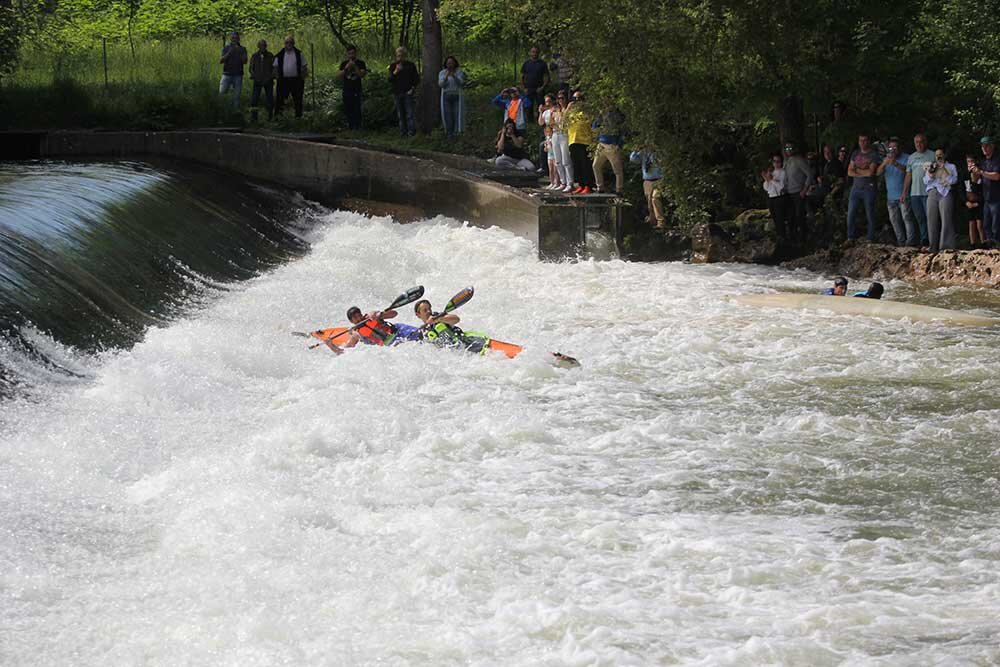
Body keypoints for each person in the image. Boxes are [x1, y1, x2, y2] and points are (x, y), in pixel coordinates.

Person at [323, 305, 423, 354]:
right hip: (391, 343)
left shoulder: (371, 316)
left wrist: (380, 314)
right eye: (355, 318)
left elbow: (394, 314)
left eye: (359, 315)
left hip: (400, 330)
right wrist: (331, 345)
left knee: (422, 335)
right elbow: (344, 352)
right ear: (351, 321)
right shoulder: (356, 334)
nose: (359, 319)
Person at [414, 299, 491, 354]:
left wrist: (438, 319)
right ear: (418, 315)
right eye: (425, 310)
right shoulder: (422, 332)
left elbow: (456, 319)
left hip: (468, 343)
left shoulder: (438, 316)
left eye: (429, 308)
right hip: (457, 354)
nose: (429, 311)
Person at [876, 137, 911, 245]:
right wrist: (884, 164)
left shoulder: (907, 157)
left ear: (899, 148)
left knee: (907, 218)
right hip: (891, 197)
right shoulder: (886, 159)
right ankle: (901, 242)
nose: (892, 150)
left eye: (895, 148)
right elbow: (877, 173)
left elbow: (908, 172)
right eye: (890, 148)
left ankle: (910, 242)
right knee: (894, 221)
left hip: (904, 195)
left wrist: (895, 163)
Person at [901, 133, 934, 246]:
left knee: (930, 217)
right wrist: (904, 192)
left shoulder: (932, 155)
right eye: (917, 142)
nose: (919, 144)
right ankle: (924, 240)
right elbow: (908, 175)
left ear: (925, 142)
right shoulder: (911, 157)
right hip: (915, 193)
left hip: (929, 193)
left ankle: (933, 240)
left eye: (921, 142)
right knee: (920, 218)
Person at [846, 133, 880, 241]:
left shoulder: (873, 154)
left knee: (870, 214)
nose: (862, 143)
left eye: (865, 140)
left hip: (868, 188)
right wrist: (862, 171)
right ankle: (850, 237)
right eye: (860, 140)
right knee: (851, 213)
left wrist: (856, 169)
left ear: (868, 141)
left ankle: (871, 237)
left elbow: (870, 173)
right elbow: (849, 172)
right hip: (856, 188)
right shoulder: (855, 153)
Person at [923, 148, 958, 253]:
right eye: (937, 155)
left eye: (940, 154)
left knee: (946, 219)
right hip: (933, 192)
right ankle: (932, 246)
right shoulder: (931, 166)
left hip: (945, 193)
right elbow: (926, 181)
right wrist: (931, 172)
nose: (938, 157)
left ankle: (946, 247)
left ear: (944, 155)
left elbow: (953, 180)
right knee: (931, 220)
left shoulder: (951, 166)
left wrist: (944, 169)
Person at [970, 136, 1000, 243]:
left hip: (996, 197)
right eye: (983, 146)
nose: (984, 148)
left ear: (992, 146)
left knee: (996, 225)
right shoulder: (983, 162)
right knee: (986, 224)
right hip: (986, 197)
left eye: (986, 146)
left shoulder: (997, 159)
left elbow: (997, 176)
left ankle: (997, 245)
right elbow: (976, 180)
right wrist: (973, 171)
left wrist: (981, 172)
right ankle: (990, 245)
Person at [783, 142, 814, 240]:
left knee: (800, 216)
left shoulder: (799, 160)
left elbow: (809, 174)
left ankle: (803, 236)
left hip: (798, 192)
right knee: (791, 216)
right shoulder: (786, 162)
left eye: (790, 148)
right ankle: (793, 236)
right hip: (789, 193)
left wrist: (804, 190)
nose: (789, 150)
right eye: (787, 149)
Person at [591, 107, 626, 194]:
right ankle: (600, 187)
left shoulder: (617, 114)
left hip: (612, 145)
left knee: (617, 169)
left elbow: (623, 130)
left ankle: (619, 189)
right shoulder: (601, 114)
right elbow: (594, 126)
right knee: (595, 166)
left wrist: (619, 144)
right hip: (601, 144)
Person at [566, 90, 595, 194]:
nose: (577, 101)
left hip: (585, 141)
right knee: (576, 164)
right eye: (574, 99)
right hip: (573, 141)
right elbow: (563, 123)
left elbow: (593, 126)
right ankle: (581, 185)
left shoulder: (587, 111)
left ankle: (588, 185)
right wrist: (568, 109)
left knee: (585, 165)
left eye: (579, 99)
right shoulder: (571, 113)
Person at [388, 46, 419, 136]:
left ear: (405, 56)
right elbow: (390, 79)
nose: (400, 58)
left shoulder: (410, 65)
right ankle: (403, 132)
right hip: (397, 93)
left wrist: (412, 89)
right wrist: (395, 71)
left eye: (402, 56)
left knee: (410, 114)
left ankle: (411, 132)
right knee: (400, 115)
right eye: (398, 56)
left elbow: (416, 79)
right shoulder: (393, 66)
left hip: (408, 92)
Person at [273, 36, 307, 118]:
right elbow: (275, 67)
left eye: (291, 42)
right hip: (283, 80)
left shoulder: (299, 53)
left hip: (296, 80)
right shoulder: (280, 54)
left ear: (293, 43)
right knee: (280, 100)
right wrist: (277, 77)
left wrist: (303, 77)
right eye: (287, 42)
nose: (289, 44)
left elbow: (304, 66)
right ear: (284, 44)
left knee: (298, 100)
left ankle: (298, 118)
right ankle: (278, 118)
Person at [630, 149, 665, 227]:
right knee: (649, 203)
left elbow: (663, 161)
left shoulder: (660, 152)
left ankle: (661, 222)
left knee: (655, 198)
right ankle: (653, 222)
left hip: (659, 179)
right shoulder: (643, 152)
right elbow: (633, 159)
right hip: (647, 181)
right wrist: (636, 150)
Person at [337, 45, 367, 130]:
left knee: (357, 108)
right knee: (348, 108)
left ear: (356, 53)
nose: (351, 55)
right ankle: (350, 126)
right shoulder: (344, 64)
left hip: (356, 89)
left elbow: (362, 74)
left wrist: (354, 67)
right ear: (347, 54)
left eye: (353, 53)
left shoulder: (361, 63)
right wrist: (346, 68)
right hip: (347, 89)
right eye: (349, 53)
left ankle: (357, 126)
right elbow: (339, 76)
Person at [549, 91, 574, 193]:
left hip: (564, 134)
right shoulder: (557, 110)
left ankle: (570, 183)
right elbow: (551, 124)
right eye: (558, 98)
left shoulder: (568, 109)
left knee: (566, 160)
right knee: (557, 160)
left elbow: (564, 121)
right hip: (555, 134)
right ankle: (563, 182)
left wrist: (567, 109)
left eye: (562, 98)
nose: (560, 101)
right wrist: (551, 115)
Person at [437, 55, 466, 139]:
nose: (450, 65)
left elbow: (461, 82)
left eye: (451, 63)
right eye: (448, 63)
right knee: (448, 115)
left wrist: (454, 76)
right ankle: (450, 134)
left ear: (454, 63)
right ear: (446, 64)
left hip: (457, 95)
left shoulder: (459, 72)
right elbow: (441, 84)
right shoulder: (442, 73)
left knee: (457, 114)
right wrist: (446, 76)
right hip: (446, 96)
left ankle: (457, 132)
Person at [762, 153, 789, 238]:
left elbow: (781, 186)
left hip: (779, 198)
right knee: (775, 219)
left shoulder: (783, 172)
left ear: (781, 162)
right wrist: (767, 180)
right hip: (771, 197)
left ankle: (783, 237)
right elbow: (766, 188)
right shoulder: (772, 172)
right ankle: (779, 236)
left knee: (780, 219)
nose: (776, 163)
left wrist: (771, 180)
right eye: (774, 161)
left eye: (778, 161)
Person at [218, 32, 248, 110]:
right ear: (231, 39)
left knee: (236, 97)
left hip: (238, 75)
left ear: (239, 39)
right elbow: (221, 61)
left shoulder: (243, 49)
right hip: (226, 75)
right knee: (222, 94)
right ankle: (222, 112)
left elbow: (245, 61)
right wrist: (229, 52)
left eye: (236, 38)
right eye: (233, 38)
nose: (235, 39)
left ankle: (235, 113)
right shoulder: (226, 48)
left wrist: (239, 52)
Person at [538, 94, 562, 189]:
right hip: (548, 136)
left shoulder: (556, 110)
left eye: (549, 101)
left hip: (555, 135)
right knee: (550, 162)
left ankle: (558, 181)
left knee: (555, 161)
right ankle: (552, 182)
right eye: (546, 102)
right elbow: (541, 122)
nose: (547, 103)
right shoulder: (546, 112)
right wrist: (540, 112)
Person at [248, 39, 274, 122]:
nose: (262, 47)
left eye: (264, 45)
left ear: (266, 46)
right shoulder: (254, 56)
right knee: (254, 100)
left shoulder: (270, 55)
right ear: (258, 46)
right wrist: (254, 76)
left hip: (268, 80)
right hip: (257, 80)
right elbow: (251, 68)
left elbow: (274, 68)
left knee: (270, 100)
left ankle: (270, 117)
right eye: (261, 45)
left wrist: (270, 77)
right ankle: (254, 118)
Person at [965, 155, 987, 248]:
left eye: (972, 161)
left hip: (979, 203)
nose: (970, 163)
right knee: (971, 224)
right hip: (969, 203)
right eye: (968, 161)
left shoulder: (979, 175)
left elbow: (982, 190)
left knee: (979, 224)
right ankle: (972, 244)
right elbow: (961, 190)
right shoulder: (964, 175)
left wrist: (975, 178)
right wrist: (966, 202)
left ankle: (984, 243)